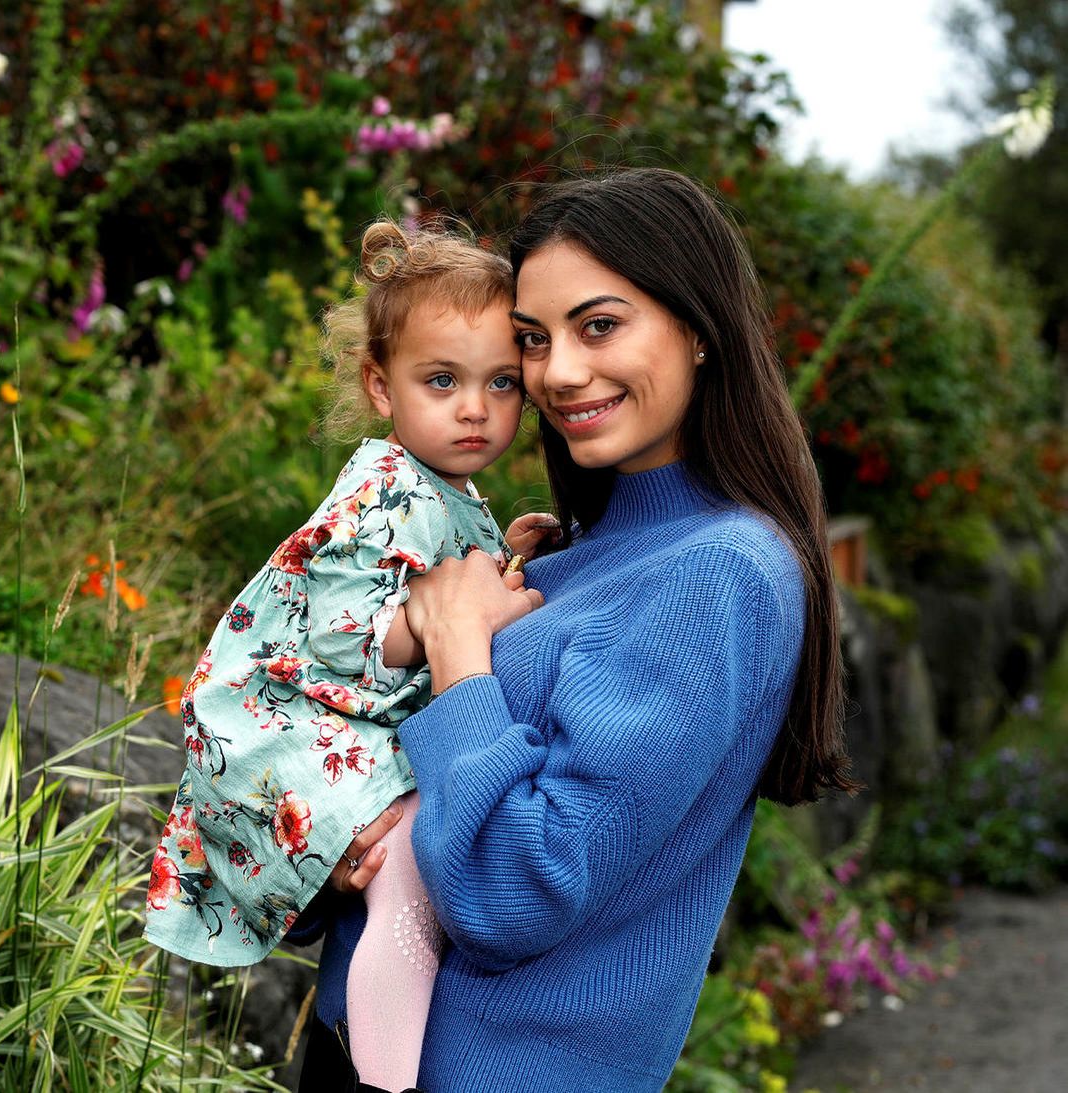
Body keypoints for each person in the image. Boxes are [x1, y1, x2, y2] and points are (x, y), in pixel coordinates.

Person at [296, 168, 858, 1092]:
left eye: (599, 325)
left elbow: (516, 887)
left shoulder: (719, 574)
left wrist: (460, 657)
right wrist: (338, 854)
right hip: (363, 1047)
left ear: (700, 329)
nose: (556, 371)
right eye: (533, 338)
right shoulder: (584, 552)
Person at [143, 218, 560, 1092]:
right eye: (441, 380)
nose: (476, 407)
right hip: (277, 727)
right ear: (381, 386)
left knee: (413, 864)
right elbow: (347, 634)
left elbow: (432, 584)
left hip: (311, 727)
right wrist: (473, 612)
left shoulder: (440, 486)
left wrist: (499, 559)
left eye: (502, 384)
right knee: (412, 871)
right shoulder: (387, 489)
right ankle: (386, 1082)